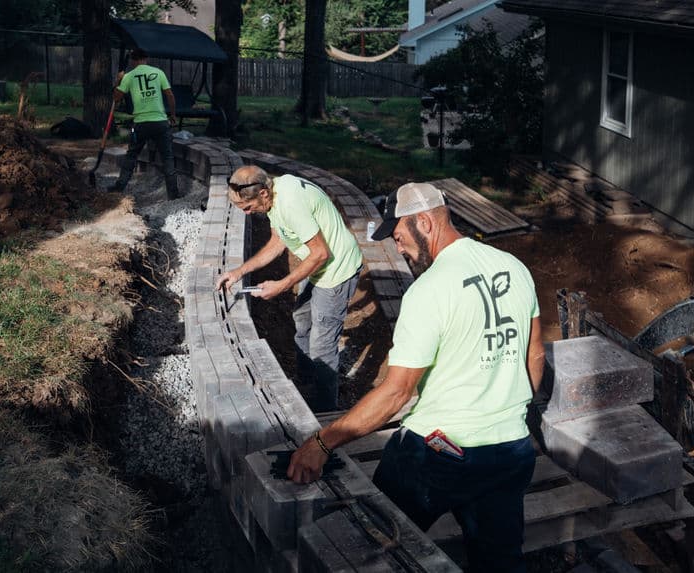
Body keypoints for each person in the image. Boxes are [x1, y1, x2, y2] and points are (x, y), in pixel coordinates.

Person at [286, 182, 545, 572]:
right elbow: (535, 354)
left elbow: (396, 392)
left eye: (400, 235)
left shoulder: (429, 290)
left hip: (441, 453)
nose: (398, 247)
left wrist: (322, 443)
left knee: (370, 543)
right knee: (500, 562)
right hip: (510, 453)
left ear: (424, 222)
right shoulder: (513, 267)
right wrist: (508, 415)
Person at [215, 165, 363, 412]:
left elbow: (321, 253)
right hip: (315, 265)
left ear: (263, 193)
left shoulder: (291, 203)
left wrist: (282, 285)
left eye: (248, 208)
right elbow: (277, 241)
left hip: (336, 272)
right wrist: (238, 272)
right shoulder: (274, 197)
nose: (248, 214)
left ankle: (325, 410)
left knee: (322, 344)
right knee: (302, 319)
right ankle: (306, 382)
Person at [109, 48, 178, 198]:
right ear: (146, 58)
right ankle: (173, 195)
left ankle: (119, 187)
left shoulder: (129, 76)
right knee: (167, 157)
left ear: (133, 60)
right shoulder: (158, 72)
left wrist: (118, 81)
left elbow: (116, 98)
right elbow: (170, 95)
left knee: (131, 155)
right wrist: (172, 115)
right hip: (160, 122)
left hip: (140, 124)